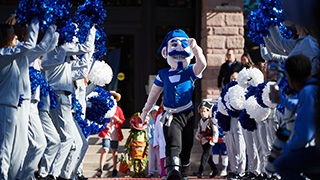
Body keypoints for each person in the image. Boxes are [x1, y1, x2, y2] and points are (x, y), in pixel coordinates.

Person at [140, 29, 207, 180]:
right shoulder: (163, 74)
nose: (178, 48)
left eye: (183, 44)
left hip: (187, 113)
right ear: (165, 52)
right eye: (174, 44)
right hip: (170, 115)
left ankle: (183, 171)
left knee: (187, 145)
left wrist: (196, 49)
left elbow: (202, 64)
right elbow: (154, 94)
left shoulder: (190, 71)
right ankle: (173, 172)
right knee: (173, 142)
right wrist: (145, 112)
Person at [0, 19, 39, 180]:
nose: (15, 36)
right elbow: (30, 45)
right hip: (5, 105)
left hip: (12, 105)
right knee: (5, 148)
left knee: (15, 148)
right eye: (12, 33)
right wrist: (34, 21)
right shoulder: (4, 54)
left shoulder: (9, 55)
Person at [271, 55, 320, 179]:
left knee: (281, 164)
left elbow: (303, 136)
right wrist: (281, 100)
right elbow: (301, 107)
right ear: (309, 72)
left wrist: (284, 151)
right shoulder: (313, 87)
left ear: (290, 79)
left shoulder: (307, 92)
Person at [96, 91, 125, 178]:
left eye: (114, 97)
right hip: (106, 132)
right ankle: (100, 169)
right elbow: (99, 119)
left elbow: (122, 120)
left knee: (114, 150)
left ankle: (115, 169)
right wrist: (104, 124)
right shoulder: (105, 108)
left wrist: (118, 120)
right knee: (105, 149)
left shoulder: (118, 109)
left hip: (115, 132)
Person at [193, 100, 219, 178]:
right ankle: (215, 169)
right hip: (203, 141)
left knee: (204, 156)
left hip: (209, 141)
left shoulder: (211, 121)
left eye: (204, 111)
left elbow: (215, 132)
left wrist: (213, 139)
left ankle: (200, 172)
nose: (202, 113)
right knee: (208, 158)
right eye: (201, 112)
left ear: (208, 112)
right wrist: (199, 136)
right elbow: (198, 131)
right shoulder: (200, 121)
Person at [125, 113, 149, 178]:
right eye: (138, 123)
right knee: (136, 161)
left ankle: (142, 172)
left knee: (142, 161)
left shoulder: (144, 132)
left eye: (140, 123)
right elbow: (129, 139)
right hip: (135, 149)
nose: (139, 124)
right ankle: (136, 172)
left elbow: (147, 139)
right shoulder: (133, 132)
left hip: (142, 148)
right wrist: (126, 147)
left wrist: (147, 147)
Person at [147, 105, 161, 178]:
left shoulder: (160, 122)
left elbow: (160, 133)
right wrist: (152, 141)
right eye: (153, 113)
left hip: (159, 144)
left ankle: (160, 171)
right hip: (152, 144)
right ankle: (151, 172)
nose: (154, 115)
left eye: (156, 113)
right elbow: (149, 133)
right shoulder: (150, 123)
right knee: (151, 158)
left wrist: (158, 142)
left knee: (159, 158)